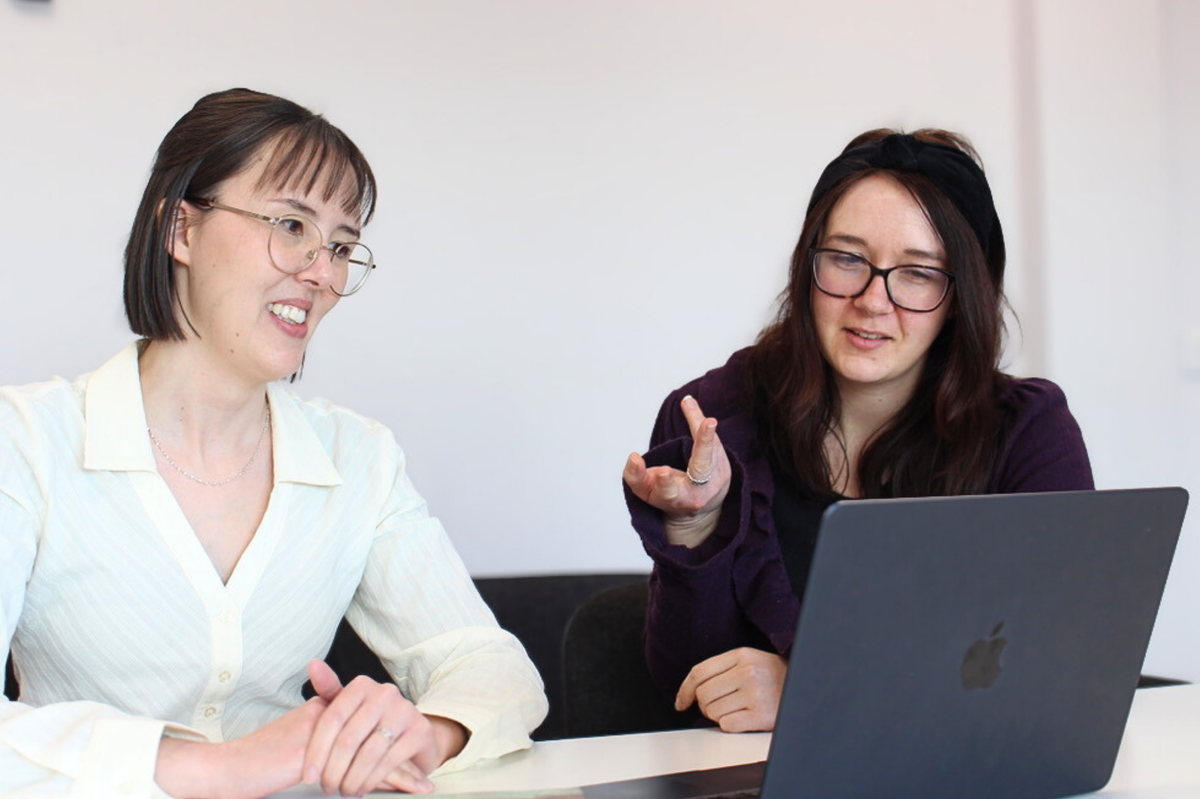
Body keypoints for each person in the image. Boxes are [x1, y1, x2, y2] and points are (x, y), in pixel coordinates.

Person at [0, 88, 547, 798]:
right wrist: (225, 767)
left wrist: (422, 731)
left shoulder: (359, 458)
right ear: (181, 231)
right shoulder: (26, 441)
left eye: (343, 245)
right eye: (291, 223)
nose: (322, 271)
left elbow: (493, 668)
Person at [622, 129, 1093, 734]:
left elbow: (1059, 663)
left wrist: (814, 691)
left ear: (963, 295)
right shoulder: (712, 416)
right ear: (808, 264)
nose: (873, 300)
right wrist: (694, 529)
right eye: (847, 259)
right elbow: (684, 687)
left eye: (918, 273)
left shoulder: (1027, 431)